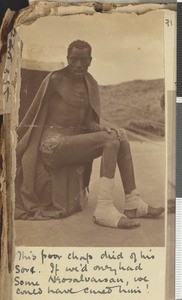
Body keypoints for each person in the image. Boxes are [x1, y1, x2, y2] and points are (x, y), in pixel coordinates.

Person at [15, 40, 164, 228]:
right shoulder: (55, 79)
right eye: (73, 59)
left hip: (72, 143)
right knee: (110, 141)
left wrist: (100, 128)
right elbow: (35, 114)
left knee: (121, 137)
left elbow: (87, 122)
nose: (78, 64)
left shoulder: (90, 83)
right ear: (67, 58)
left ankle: (133, 202)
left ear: (90, 60)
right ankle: (103, 209)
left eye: (83, 59)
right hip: (51, 146)